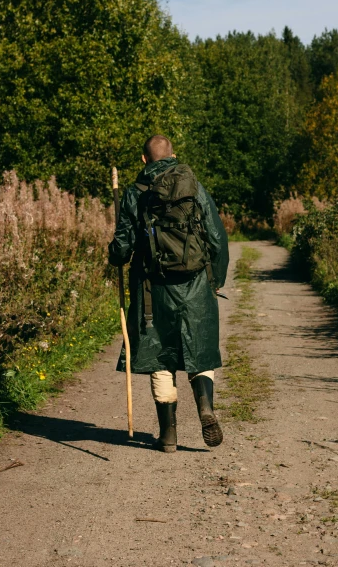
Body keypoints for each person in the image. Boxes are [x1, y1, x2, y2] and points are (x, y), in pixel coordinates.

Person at [108, 134, 229, 452]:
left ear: (144, 160)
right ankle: (206, 408)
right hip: (197, 286)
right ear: (173, 155)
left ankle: (169, 434)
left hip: (152, 291)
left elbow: (122, 248)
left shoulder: (135, 193)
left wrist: (115, 254)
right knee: (198, 350)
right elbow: (216, 235)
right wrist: (217, 277)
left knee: (160, 358)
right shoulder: (194, 186)